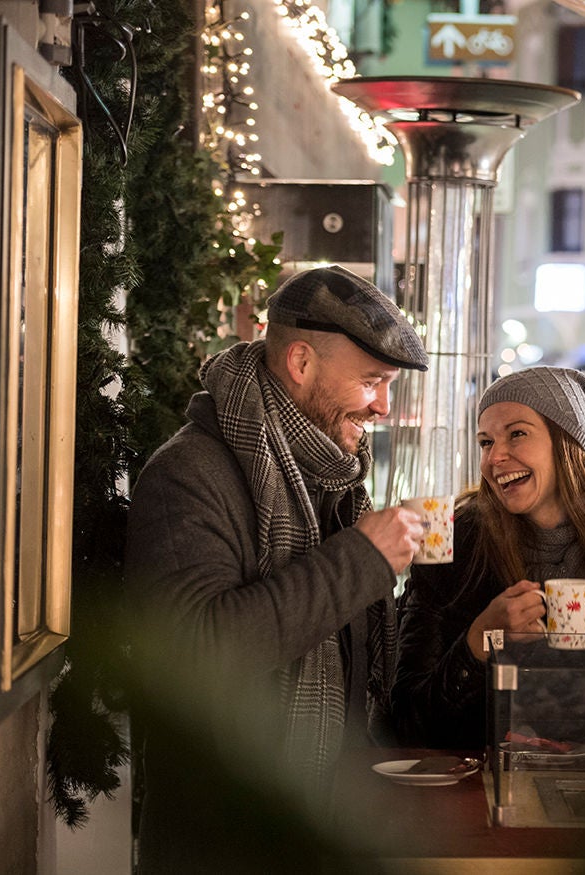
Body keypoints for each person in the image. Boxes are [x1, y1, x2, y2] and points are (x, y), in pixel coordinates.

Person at [123, 265, 428, 873]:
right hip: (225, 841)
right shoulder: (188, 474)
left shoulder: (332, 478)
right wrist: (363, 559)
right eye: (372, 382)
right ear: (300, 363)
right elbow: (197, 653)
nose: (384, 408)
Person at [393, 366, 585, 750]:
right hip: (478, 791)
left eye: (517, 434)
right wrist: (476, 644)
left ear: (567, 443)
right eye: (486, 442)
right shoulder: (452, 549)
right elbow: (405, 721)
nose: (495, 457)